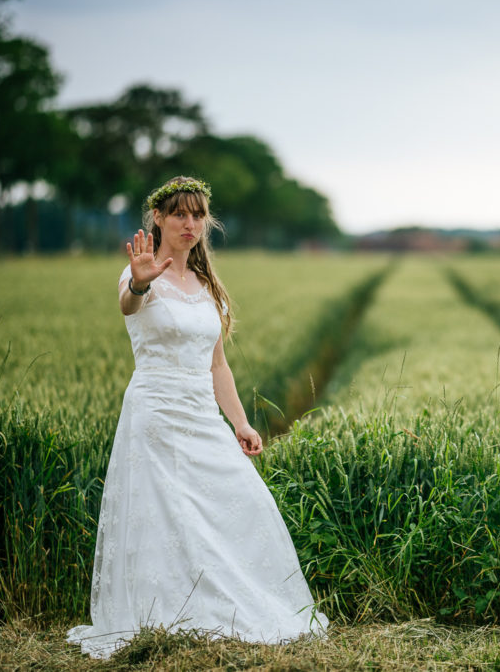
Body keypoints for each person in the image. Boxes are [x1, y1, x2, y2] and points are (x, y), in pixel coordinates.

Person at [68, 177, 327, 658]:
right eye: (180, 214)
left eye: (198, 215)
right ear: (159, 220)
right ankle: (161, 618)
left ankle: (220, 612)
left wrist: (242, 423)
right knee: (162, 515)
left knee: (235, 500)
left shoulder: (209, 288)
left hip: (202, 414)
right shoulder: (138, 274)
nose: (190, 224)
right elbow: (130, 303)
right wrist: (143, 280)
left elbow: (217, 365)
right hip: (155, 411)